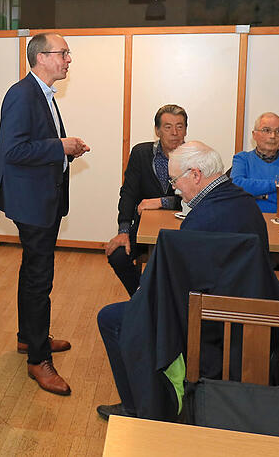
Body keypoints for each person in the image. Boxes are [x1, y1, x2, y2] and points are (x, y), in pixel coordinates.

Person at [96, 141, 270, 420]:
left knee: (114, 318)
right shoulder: (244, 202)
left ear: (196, 174)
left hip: (209, 323)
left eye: (175, 181)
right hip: (247, 317)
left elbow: (174, 290)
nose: (174, 189)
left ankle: (141, 409)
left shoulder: (202, 219)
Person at [0, 32, 90, 396]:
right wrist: (60, 146)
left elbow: (37, 145)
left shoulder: (43, 94)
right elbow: (14, 151)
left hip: (42, 197)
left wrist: (65, 149)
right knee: (39, 277)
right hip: (31, 202)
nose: (68, 59)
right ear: (41, 57)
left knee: (32, 271)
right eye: (63, 53)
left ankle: (28, 337)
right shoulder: (21, 95)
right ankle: (38, 358)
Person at [104, 105, 188, 297]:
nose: (174, 133)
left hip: (182, 230)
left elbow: (197, 198)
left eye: (180, 127)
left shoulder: (195, 156)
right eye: (167, 127)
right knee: (117, 255)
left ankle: (164, 304)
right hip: (144, 228)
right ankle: (143, 299)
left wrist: (162, 201)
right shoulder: (141, 153)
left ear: (186, 130)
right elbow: (128, 193)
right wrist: (123, 230)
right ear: (157, 131)